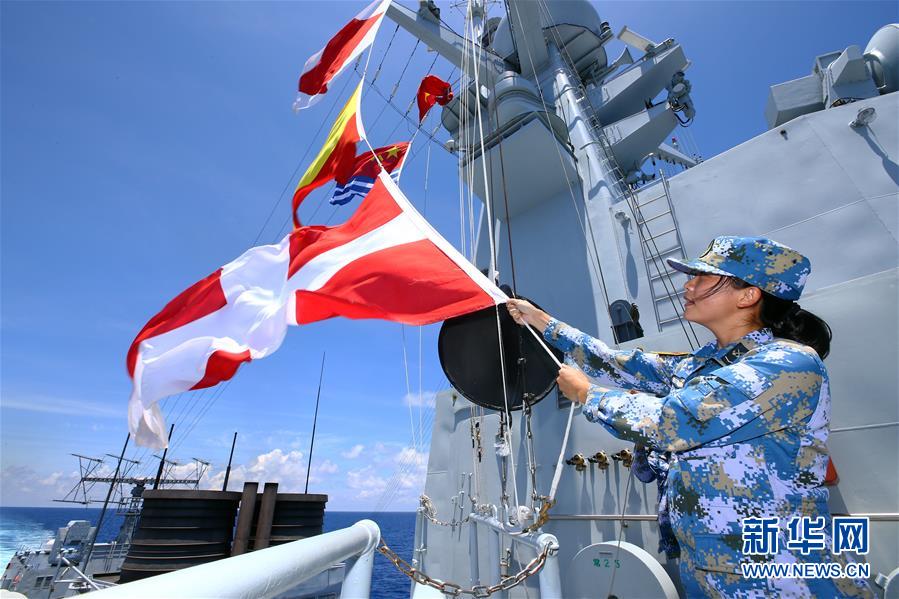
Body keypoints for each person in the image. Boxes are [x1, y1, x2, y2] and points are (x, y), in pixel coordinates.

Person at [507, 236, 872, 598]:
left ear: (748, 295)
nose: (688, 285)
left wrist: (588, 394)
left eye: (703, 278)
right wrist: (541, 321)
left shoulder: (787, 364)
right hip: (711, 568)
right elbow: (616, 362)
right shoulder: (706, 364)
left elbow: (673, 420)